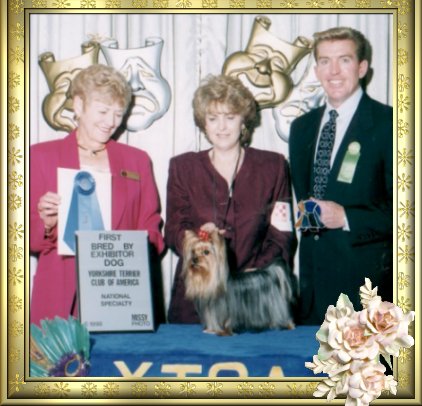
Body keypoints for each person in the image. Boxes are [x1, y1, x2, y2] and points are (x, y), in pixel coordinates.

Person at [30, 64, 165, 325]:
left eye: (118, 114)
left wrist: (132, 252)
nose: (111, 122)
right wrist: (45, 224)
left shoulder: (137, 161)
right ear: (78, 105)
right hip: (58, 297)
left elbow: (152, 227)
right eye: (103, 111)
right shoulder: (40, 157)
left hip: (120, 295)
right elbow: (23, 238)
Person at [165, 74, 297, 323]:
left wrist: (258, 270)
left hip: (255, 301)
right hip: (196, 301)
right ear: (203, 124)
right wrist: (197, 239)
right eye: (213, 118)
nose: (222, 127)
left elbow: (281, 234)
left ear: (243, 121)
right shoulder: (183, 167)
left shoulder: (273, 166)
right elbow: (173, 230)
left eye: (230, 117)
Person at [289, 27, 393, 325]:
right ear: (316, 70)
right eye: (325, 61)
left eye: (344, 60)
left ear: (362, 67)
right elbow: (305, 203)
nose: (333, 71)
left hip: (365, 293)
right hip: (311, 291)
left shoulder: (392, 124)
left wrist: (347, 217)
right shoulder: (301, 128)